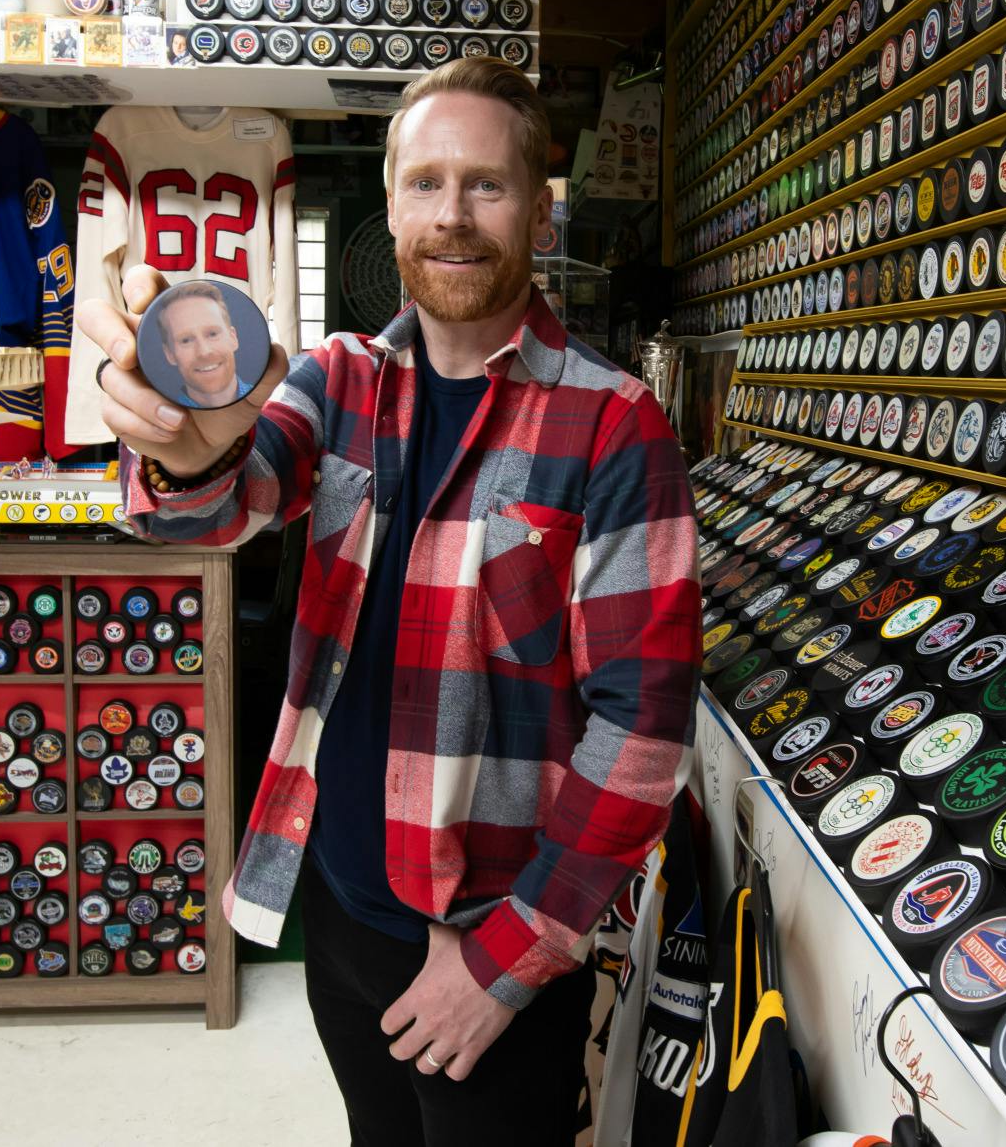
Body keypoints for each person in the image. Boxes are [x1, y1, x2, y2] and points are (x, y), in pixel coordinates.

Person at [78, 58, 698, 1147]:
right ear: (389, 205)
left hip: (486, 943)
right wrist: (183, 446)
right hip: (338, 908)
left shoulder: (613, 424)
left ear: (538, 208)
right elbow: (223, 506)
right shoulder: (337, 381)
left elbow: (642, 735)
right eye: (424, 184)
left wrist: (507, 964)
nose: (451, 217)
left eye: (485, 185)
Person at [150, 282, 244, 409]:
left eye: (212, 334)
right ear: (170, 354)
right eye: (186, 340)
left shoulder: (275, 415)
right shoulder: (158, 420)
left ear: (233, 338)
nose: (204, 352)